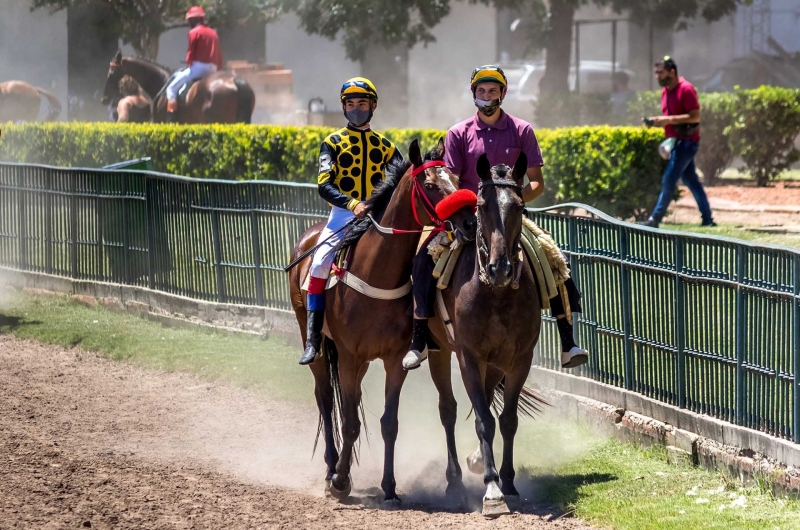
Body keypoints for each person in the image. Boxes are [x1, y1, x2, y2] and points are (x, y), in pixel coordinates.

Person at [402, 65, 589, 371]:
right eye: (481, 91)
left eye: (492, 91)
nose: (486, 96)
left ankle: (568, 342)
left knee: (553, 258)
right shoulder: (458, 133)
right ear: (473, 94)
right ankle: (419, 340)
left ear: (503, 93)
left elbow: (537, 184)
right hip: (470, 218)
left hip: (510, 216)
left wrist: (511, 204)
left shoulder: (523, 130)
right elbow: (452, 180)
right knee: (423, 260)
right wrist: (475, 207)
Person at [299, 77, 404, 365]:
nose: (356, 109)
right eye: (351, 104)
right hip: (344, 214)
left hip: (378, 216)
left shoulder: (387, 147)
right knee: (320, 262)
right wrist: (352, 204)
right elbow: (324, 185)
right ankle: (313, 339)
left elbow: (403, 184)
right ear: (344, 108)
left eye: (362, 104)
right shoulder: (331, 142)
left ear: (373, 106)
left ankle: (419, 333)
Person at [639, 56, 715, 228]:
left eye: (661, 72)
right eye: (656, 73)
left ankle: (654, 219)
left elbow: (695, 116)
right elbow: (670, 119)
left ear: (672, 72)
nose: (657, 76)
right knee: (691, 181)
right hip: (676, 142)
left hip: (687, 143)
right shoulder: (665, 92)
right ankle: (708, 219)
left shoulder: (686, 89)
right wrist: (657, 122)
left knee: (669, 179)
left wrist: (668, 120)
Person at [165, 6, 223, 123]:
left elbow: (191, 52)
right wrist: (219, 69)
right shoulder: (213, 33)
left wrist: (189, 62)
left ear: (194, 20)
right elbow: (219, 54)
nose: (189, 23)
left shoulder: (194, 32)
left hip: (198, 68)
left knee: (171, 88)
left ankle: (171, 118)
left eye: (189, 20)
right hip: (213, 68)